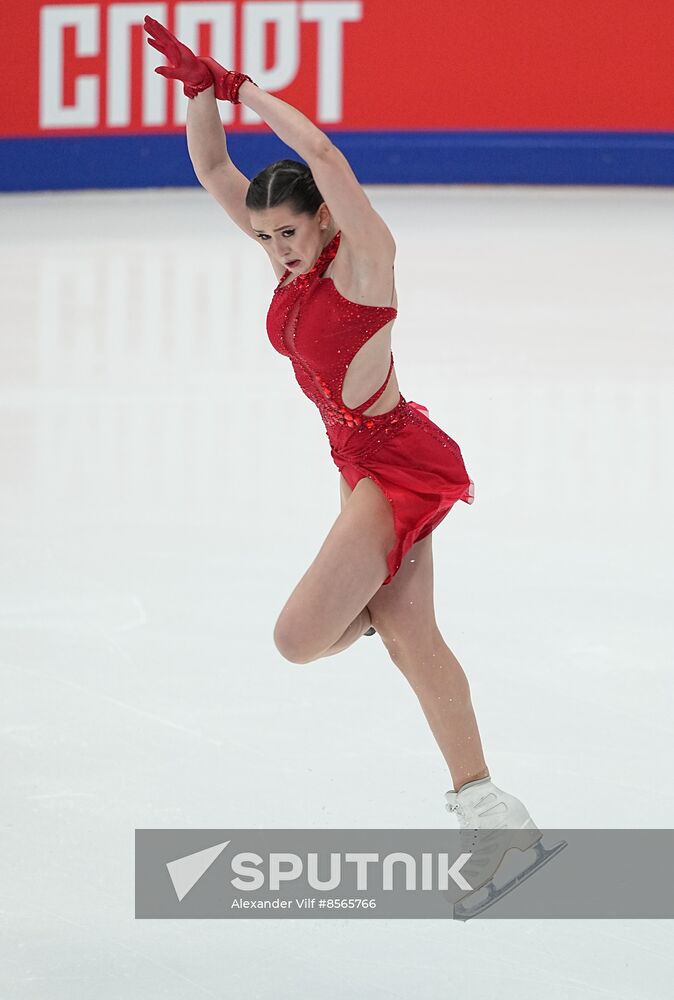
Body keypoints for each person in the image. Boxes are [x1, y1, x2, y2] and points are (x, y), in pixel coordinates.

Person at [143, 16, 564, 916]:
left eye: (288, 233)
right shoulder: (285, 270)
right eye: (264, 240)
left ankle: (490, 808)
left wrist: (242, 86)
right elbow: (218, 173)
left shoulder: (363, 261)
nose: (276, 249)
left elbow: (327, 153)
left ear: (322, 220)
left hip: (396, 467)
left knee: (300, 638)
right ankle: (493, 812)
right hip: (355, 465)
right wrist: (196, 96)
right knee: (412, 634)